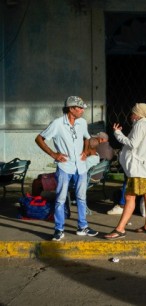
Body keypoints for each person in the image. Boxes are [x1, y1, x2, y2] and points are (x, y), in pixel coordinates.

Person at [35, 96, 98, 241]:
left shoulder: (82, 122)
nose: (82, 110)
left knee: (82, 197)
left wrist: (86, 151)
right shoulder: (57, 124)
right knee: (60, 198)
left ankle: (82, 226)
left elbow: (87, 137)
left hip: (80, 167)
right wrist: (53, 154)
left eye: (83, 108)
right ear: (71, 109)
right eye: (79, 108)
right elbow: (39, 138)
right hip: (65, 166)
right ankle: (59, 229)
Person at [105, 103, 146, 240]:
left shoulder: (140, 125)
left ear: (138, 114)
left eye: (133, 113)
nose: (131, 116)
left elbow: (132, 144)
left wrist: (118, 134)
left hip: (138, 169)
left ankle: (120, 229)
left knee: (129, 197)